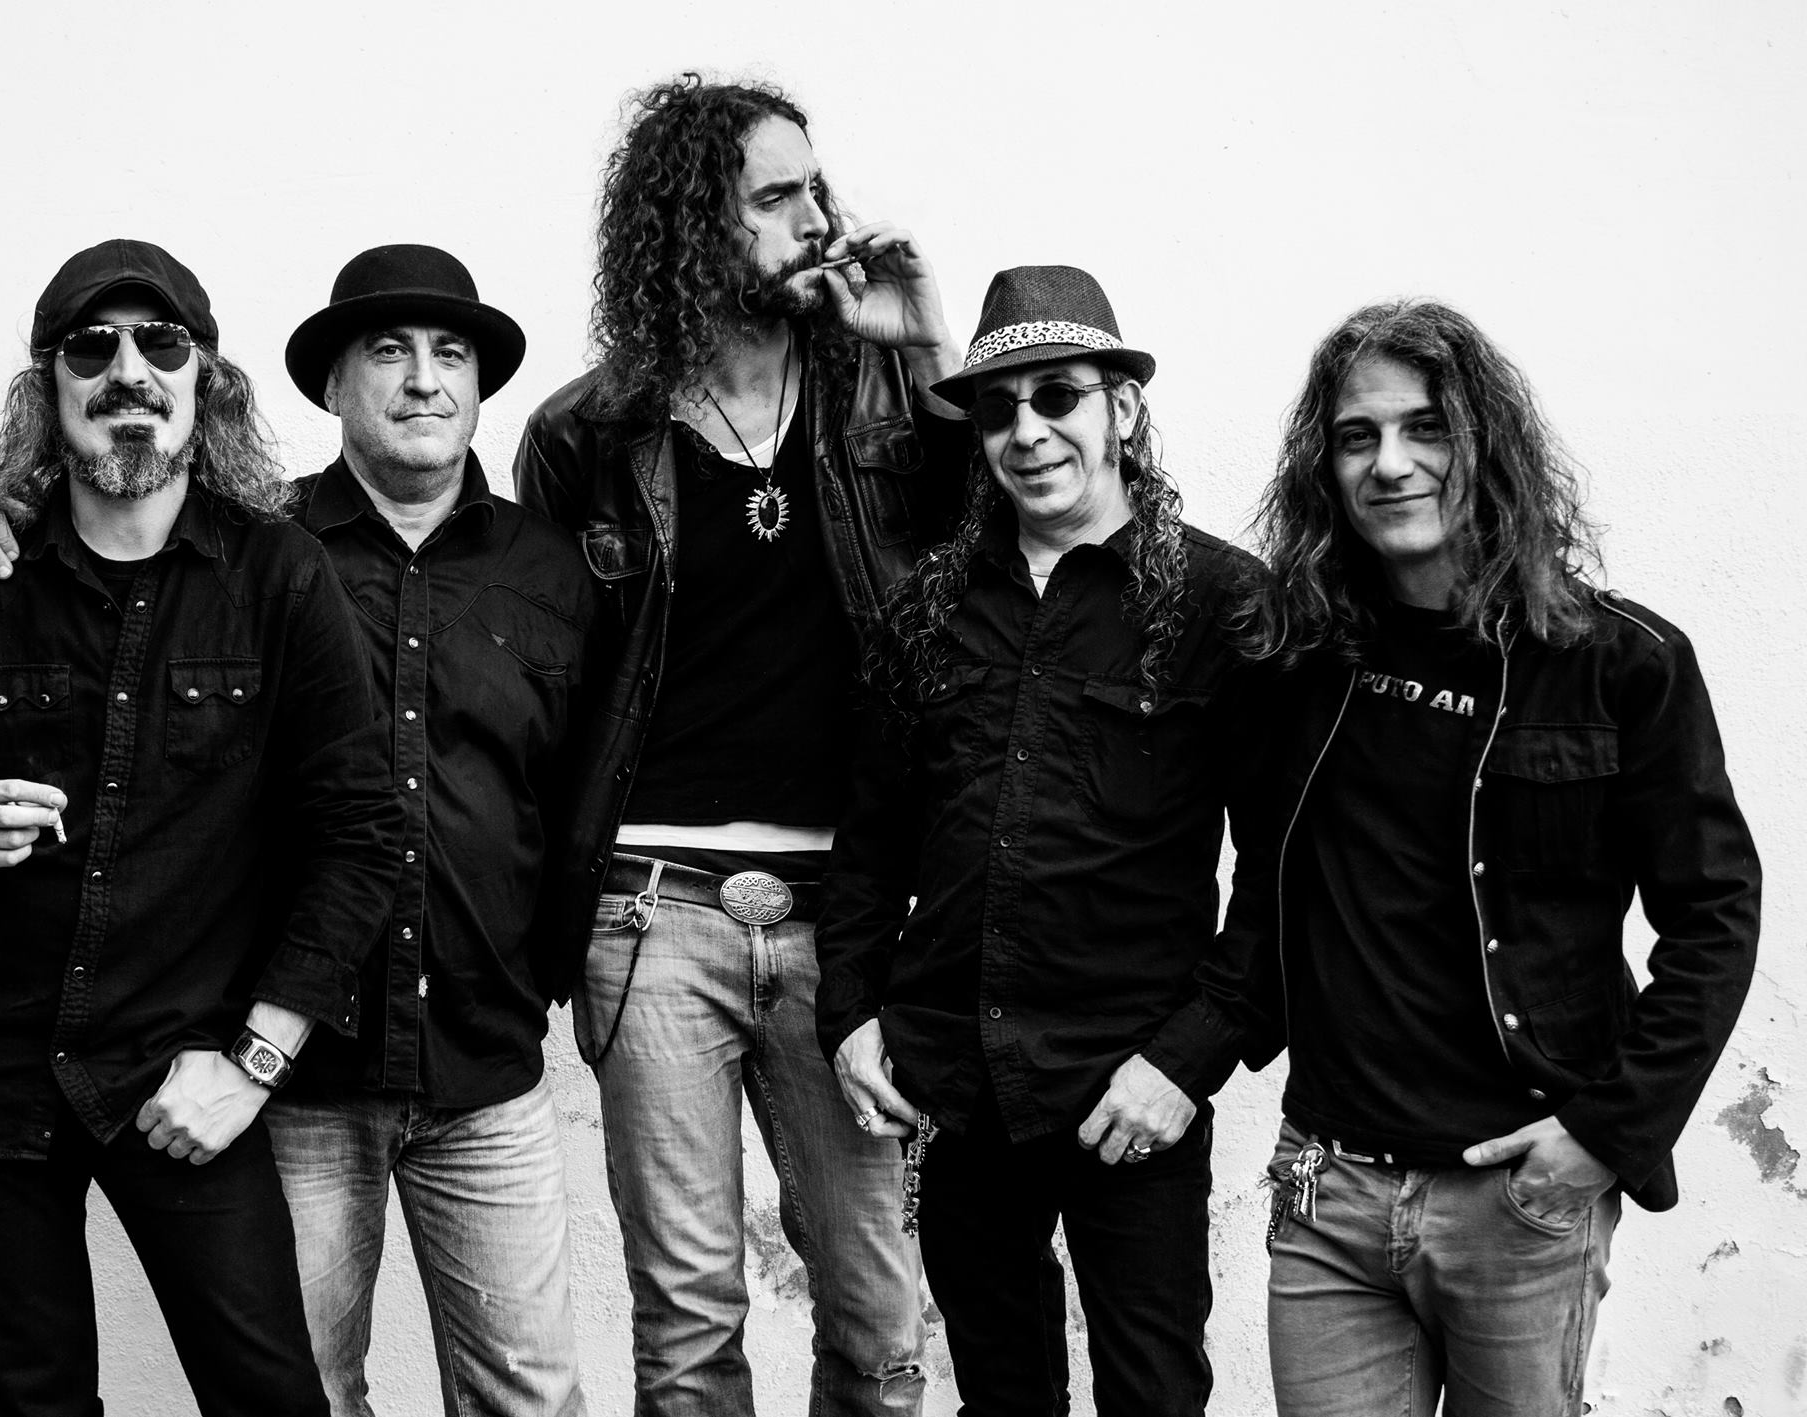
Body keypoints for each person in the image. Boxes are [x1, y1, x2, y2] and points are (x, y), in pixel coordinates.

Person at [0, 244, 596, 1415]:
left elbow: (583, 787)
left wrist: (550, 971)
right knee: (301, 1390)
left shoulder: (556, 568)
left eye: (451, 355)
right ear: (329, 385)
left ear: (482, 387)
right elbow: (93, 514)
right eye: (387, 351)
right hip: (298, 1074)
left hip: (485, 1063)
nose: (423, 379)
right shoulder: (249, 547)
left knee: (528, 1394)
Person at [0, 237, 398, 1416]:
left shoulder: (278, 573)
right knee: (35, 1400)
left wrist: (253, 1064)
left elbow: (358, 834)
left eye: (160, 345)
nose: (128, 370)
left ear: (204, 382)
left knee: (271, 1396)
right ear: (47, 389)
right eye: (92, 348)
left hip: (182, 1070)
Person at [511, 74, 966, 1415]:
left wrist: (928, 354)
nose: (819, 220)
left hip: (850, 920)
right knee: (689, 1326)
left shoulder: (884, 400)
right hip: (650, 912)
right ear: (692, 227)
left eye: (817, 188)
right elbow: (542, 681)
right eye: (777, 197)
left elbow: (987, 568)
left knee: (883, 1324)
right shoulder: (585, 436)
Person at [1223, 298, 1761, 1415]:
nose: (1390, 463)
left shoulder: (1620, 663)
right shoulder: (1299, 657)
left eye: (1425, 428)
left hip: (1516, 1202)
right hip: (1330, 1189)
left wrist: (1604, 1135)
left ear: (1487, 444)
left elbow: (1715, 912)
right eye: (1357, 436)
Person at [815, 265, 1261, 1417]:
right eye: (996, 409)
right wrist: (849, 1013)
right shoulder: (925, 607)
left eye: (1056, 395)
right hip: (958, 1083)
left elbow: (1283, 876)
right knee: (1001, 1396)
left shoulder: (1221, 603)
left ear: (1121, 407)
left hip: (1130, 1088)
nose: (1025, 431)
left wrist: (1186, 1062)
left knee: (1153, 1395)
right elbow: (870, 844)